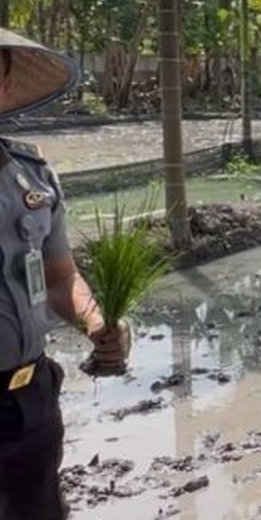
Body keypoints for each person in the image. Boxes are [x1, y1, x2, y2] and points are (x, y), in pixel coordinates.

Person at [0, 29, 130, 519]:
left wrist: (97, 323)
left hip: (29, 399)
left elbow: (59, 278)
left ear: (6, 86)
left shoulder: (31, 176)